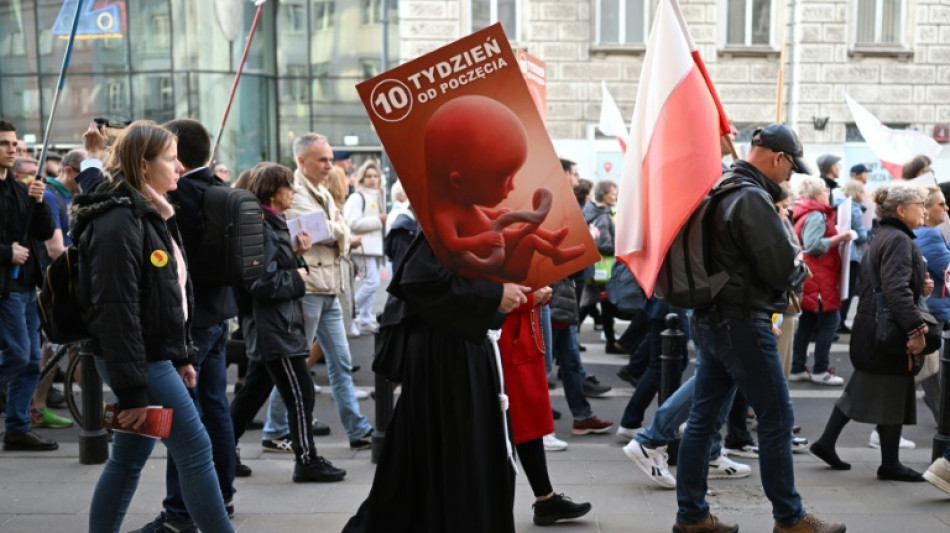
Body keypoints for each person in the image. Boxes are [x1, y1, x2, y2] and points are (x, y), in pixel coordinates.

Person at [674, 124, 844, 533]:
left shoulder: (722, 186)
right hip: (741, 319)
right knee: (776, 418)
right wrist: (798, 266)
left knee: (703, 419)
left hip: (714, 316)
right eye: (790, 167)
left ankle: (692, 516)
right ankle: (790, 518)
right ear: (777, 157)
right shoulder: (750, 196)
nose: (789, 176)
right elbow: (781, 267)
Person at [70, 120, 232, 533]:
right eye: (171, 159)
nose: (180, 167)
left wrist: (183, 355)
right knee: (195, 449)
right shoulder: (119, 221)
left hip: (153, 357)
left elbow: (169, 297)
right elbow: (116, 312)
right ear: (144, 165)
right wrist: (132, 394)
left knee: (128, 458)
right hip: (140, 361)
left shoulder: (149, 212)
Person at [342, 233, 525, 533]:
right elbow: (420, 281)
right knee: (449, 457)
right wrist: (494, 294)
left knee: (447, 457)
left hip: (461, 351)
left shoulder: (466, 216)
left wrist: (509, 293)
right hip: (445, 357)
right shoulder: (446, 218)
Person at [122, 119, 240, 532]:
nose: (173, 167)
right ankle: (220, 495)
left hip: (189, 327)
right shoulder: (219, 189)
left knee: (187, 425)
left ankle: (180, 511)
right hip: (217, 316)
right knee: (214, 409)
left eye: (174, 156)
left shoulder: (179, 196)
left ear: (181, 158)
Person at [228, 163, 346, 484]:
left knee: (254, 394)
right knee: (300, 393)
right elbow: (260, 282)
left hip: (278, 324)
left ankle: (221, 451)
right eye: (288, 186)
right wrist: (297, 276)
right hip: (274, 327)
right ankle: (306, 460)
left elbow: (272, 267)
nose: (293, 191)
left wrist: (296, 254)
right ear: (272, 191)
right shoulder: (261, 226)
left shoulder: (273, 223)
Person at [809, 182, 932, 483]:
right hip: (887, 330)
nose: (925, 211)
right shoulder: (899, 239)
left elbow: (890, 284)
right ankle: (888, 463)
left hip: (874, 327)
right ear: (901, 210)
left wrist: (920, 286)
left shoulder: (886, 235)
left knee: (872, 389)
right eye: (920, 205)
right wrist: (916, 328)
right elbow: (895, 289)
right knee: (887, 389)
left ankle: (835, 445)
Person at [286, 133, 374, 450]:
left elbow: (334, 229)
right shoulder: (294, 192)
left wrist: (334, 229)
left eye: (329, 159)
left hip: (329, 287)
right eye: (322, 159)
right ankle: (276, 428)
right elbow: (324, 230)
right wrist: (336, 229)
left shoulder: (321, 192)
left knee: (340, 361)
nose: (328, 165)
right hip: (310, 286)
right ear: (301, 161)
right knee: (295, 363)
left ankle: (357, 429)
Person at [497, 285, 592, 526]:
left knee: (526, 420)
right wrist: (531, 297)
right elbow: (490, 290)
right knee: (514, 422)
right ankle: (519, 506)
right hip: (509, 333)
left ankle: (545, 498)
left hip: (520, 329)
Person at [0, 118, 57, 452]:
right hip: (5, 288)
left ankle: (17, 427)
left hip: (26, 287)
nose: (12, 149)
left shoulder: (21, 190)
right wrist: (7, 253)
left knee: (33, 358)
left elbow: (43, 232)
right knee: (18, 355)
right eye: (4, 144)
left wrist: (39, 201)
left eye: (14, 143)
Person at [31, 149, 87, 430]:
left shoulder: (70, 197)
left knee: (54, 351)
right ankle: (97, 411)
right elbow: (55, 248)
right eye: (83, 176)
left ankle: (37, 407)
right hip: (53, 284)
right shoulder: (52, 197)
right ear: (69, 171)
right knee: (70, 346)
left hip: (62, 282)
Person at [788, 176, 853, 386]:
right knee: (830, 322)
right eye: (825, 190)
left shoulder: (808, 213)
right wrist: (840, 238)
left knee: (807, 323)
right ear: (817, 194)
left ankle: (798, 367)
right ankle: (820, 370)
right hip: (819, 276)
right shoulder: (816, 215)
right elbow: (813, 245)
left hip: (814, 275)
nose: (828, 192)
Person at [911, 185, 948, 425]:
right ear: (925, 208)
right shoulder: (930, 235)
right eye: (941, 204)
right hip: (935, 310)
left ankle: (944, 420)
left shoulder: (926, 234)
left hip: (931, 309)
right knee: (931, 371)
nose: (946, 208)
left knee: (931, 372)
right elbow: (947, 270)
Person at [343, 160, 387, 335]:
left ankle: (365, 320)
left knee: (372, 284)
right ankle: (350, 312)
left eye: (375, 176)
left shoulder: (379, 195)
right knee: (372, 282)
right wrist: (378, 221)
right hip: (362, 246)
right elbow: (351, 222)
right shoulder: (357, 197)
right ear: (362, 178)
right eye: (369, 176)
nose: (373, 179)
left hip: (373, 247)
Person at [837, 180, 869, 333]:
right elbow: (861, 236)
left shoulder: (840, 206)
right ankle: (840, 321)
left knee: (841, 289)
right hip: (853, 255)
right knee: (848, 291)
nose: (864, 195)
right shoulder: (855, 209)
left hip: (841, 252)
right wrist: (869, 232)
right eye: (862, 191)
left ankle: (838, 321)